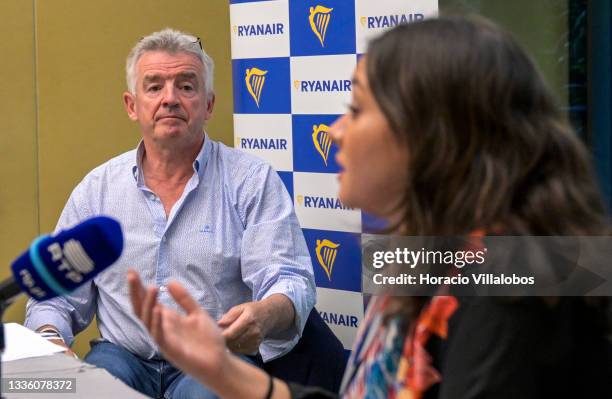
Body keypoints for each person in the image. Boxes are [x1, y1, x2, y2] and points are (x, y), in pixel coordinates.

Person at [130, 16, 611, 398]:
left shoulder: (515, 285)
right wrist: (220, 371)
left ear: (430, 134)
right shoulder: (427, 255)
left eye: (357, 109)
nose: (336, 132)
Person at [25, 28, 316, 399]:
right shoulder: (97, 190)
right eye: (154, 86)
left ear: (208, 104)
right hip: (122, 356)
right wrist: (50, 342)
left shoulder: (252, 180)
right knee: (85, 391)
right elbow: (55, 294)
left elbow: (289, 278)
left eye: (186, 86)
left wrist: (266, 313)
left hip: (214, 356)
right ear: (132, 105)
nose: (170, 99)